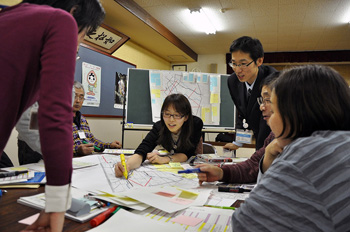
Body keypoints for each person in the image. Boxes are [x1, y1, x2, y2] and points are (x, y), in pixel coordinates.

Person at [0, 1, 105, 231]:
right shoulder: (61, 20)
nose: (78, 46)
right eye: (85, 34)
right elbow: (52, 116)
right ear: (74, 11)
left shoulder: (10, 17)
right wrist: (57, 204)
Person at [232, 65, 350, 231]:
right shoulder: (341, 144)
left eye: (272, 104)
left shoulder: (303, 157)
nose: (268, 116)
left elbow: (245, 223)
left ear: (295, 112)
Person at [197, 72, 280, 184]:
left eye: (268, 100)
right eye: (262, 100)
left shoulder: (304, 140)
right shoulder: (275, 136)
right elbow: (252, 166)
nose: (262, 107)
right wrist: (221, 173)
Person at [115, 93, 203, 176]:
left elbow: (187, 154)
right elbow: (142, 151)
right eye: (167, 114)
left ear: (186, 117)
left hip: (190, 168)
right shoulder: (159, 127)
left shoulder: (195, 124)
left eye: (177, 115)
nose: (171, 120)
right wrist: (127, 166)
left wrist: (165, 159)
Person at [224, 36, 276, 151]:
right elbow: (243, 114)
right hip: (258, 136)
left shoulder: (272, 80)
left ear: (259, 61)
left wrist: (261, 152)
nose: (238, 70)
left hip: (274, 136)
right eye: (234, 64)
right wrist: (238, 142)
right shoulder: (233, 81)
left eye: (243, 64)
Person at [73, 81, 122, 156]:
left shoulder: (83, 120)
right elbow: (55, 147)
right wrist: (77, 149)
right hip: (70, 162)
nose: (78, 101)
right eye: (74, 97)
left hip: (88, 160)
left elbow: (92, 140)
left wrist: (109, 145)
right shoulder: (59, 120)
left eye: (81, 97)